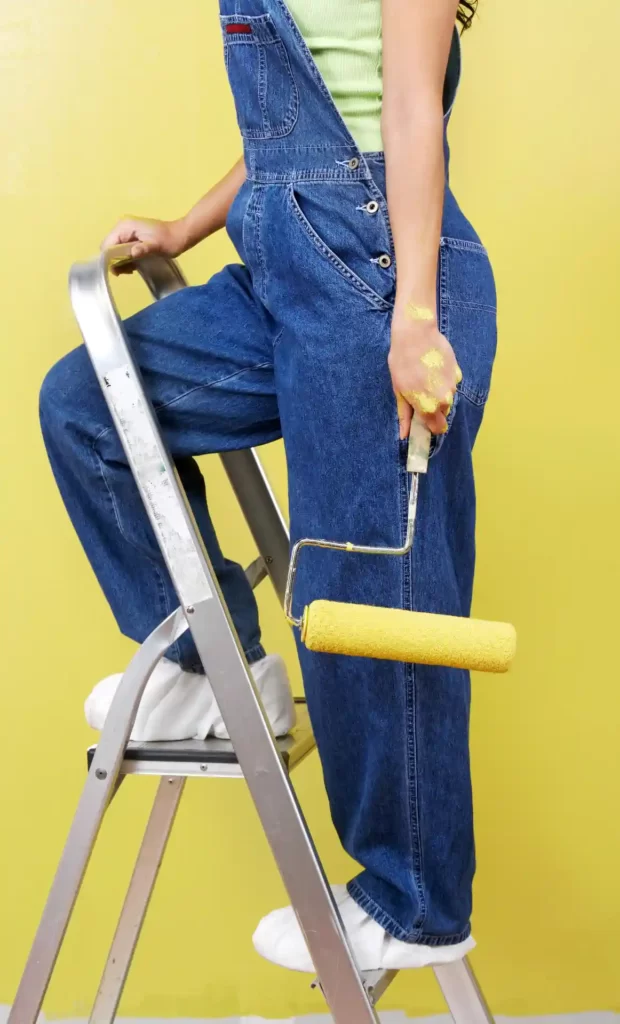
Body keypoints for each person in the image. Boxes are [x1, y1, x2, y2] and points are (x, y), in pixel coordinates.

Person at [39, 0, 497, 971]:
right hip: (286, 270)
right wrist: (185, 227)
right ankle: (221, 669)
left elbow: (412, 113)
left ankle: (415, 901)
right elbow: (289, 132)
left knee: (366, 599)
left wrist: (412, 318)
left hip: (380, 278)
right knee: (88, 403)